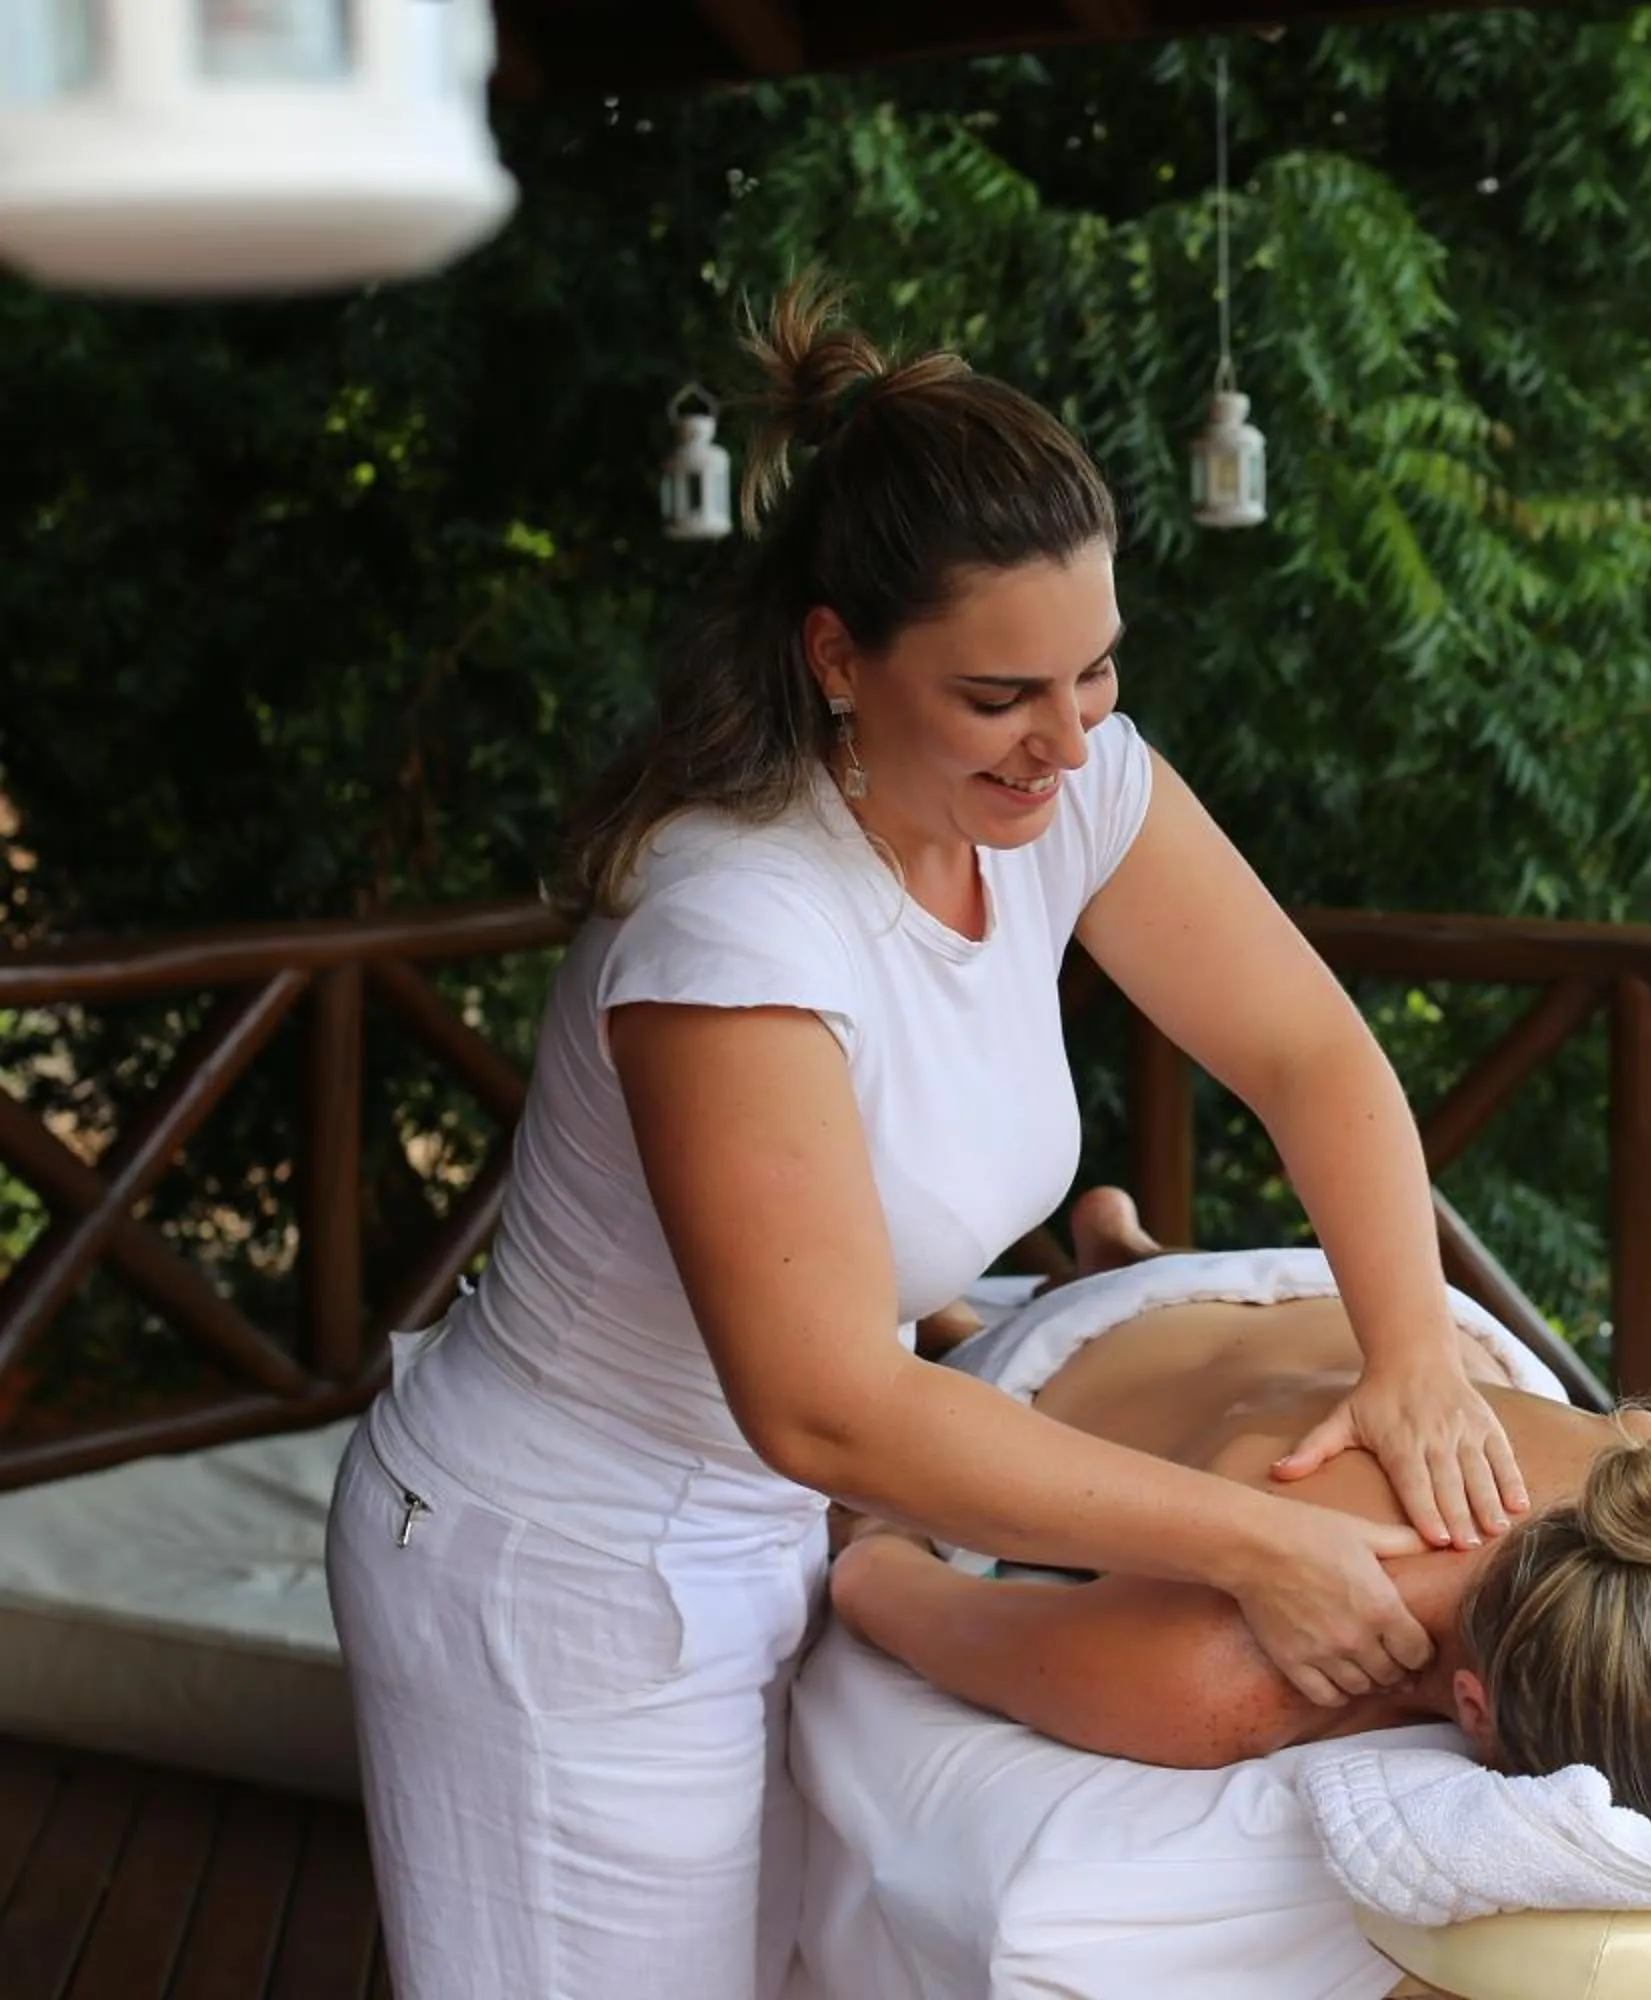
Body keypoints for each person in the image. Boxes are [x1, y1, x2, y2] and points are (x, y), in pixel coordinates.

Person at [323, 282, 1526, 2000]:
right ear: (838, 660)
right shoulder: (735, 921)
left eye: (1097, 668)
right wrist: (1259, 1542)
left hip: (787, 1524)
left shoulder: (1072, 787)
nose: (1069, 735)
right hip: (567, 1565)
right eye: (1000, 693)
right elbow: (822, 1400)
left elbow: (1308, 1048)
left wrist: (1411, 1356)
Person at [829, 1190, 1651, 1826]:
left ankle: (1119, 1252)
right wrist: (882, 1501)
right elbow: (880, 1578)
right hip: (1092, 1353)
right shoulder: (1220, 1671)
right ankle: (1031, 1298)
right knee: (980, 1355)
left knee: (1216, 1364)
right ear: (1475, 1708)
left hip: (1397, 1316)